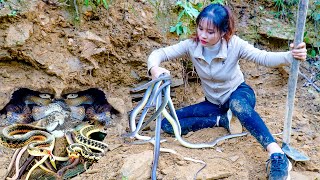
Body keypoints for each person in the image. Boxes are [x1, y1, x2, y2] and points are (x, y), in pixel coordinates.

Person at [147, 3, 307, 180]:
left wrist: (289, 56)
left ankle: (277, 155)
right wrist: (154, 68)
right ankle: (223, 121)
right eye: (200, 28)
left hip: (239, 94)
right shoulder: (192, 45)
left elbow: (264, 57)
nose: (202, 35)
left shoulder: (235, 45)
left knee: (237, 104)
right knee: (167, 123)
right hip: (214, 103)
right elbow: (159, 53)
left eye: (210, 31)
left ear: (223, 31)